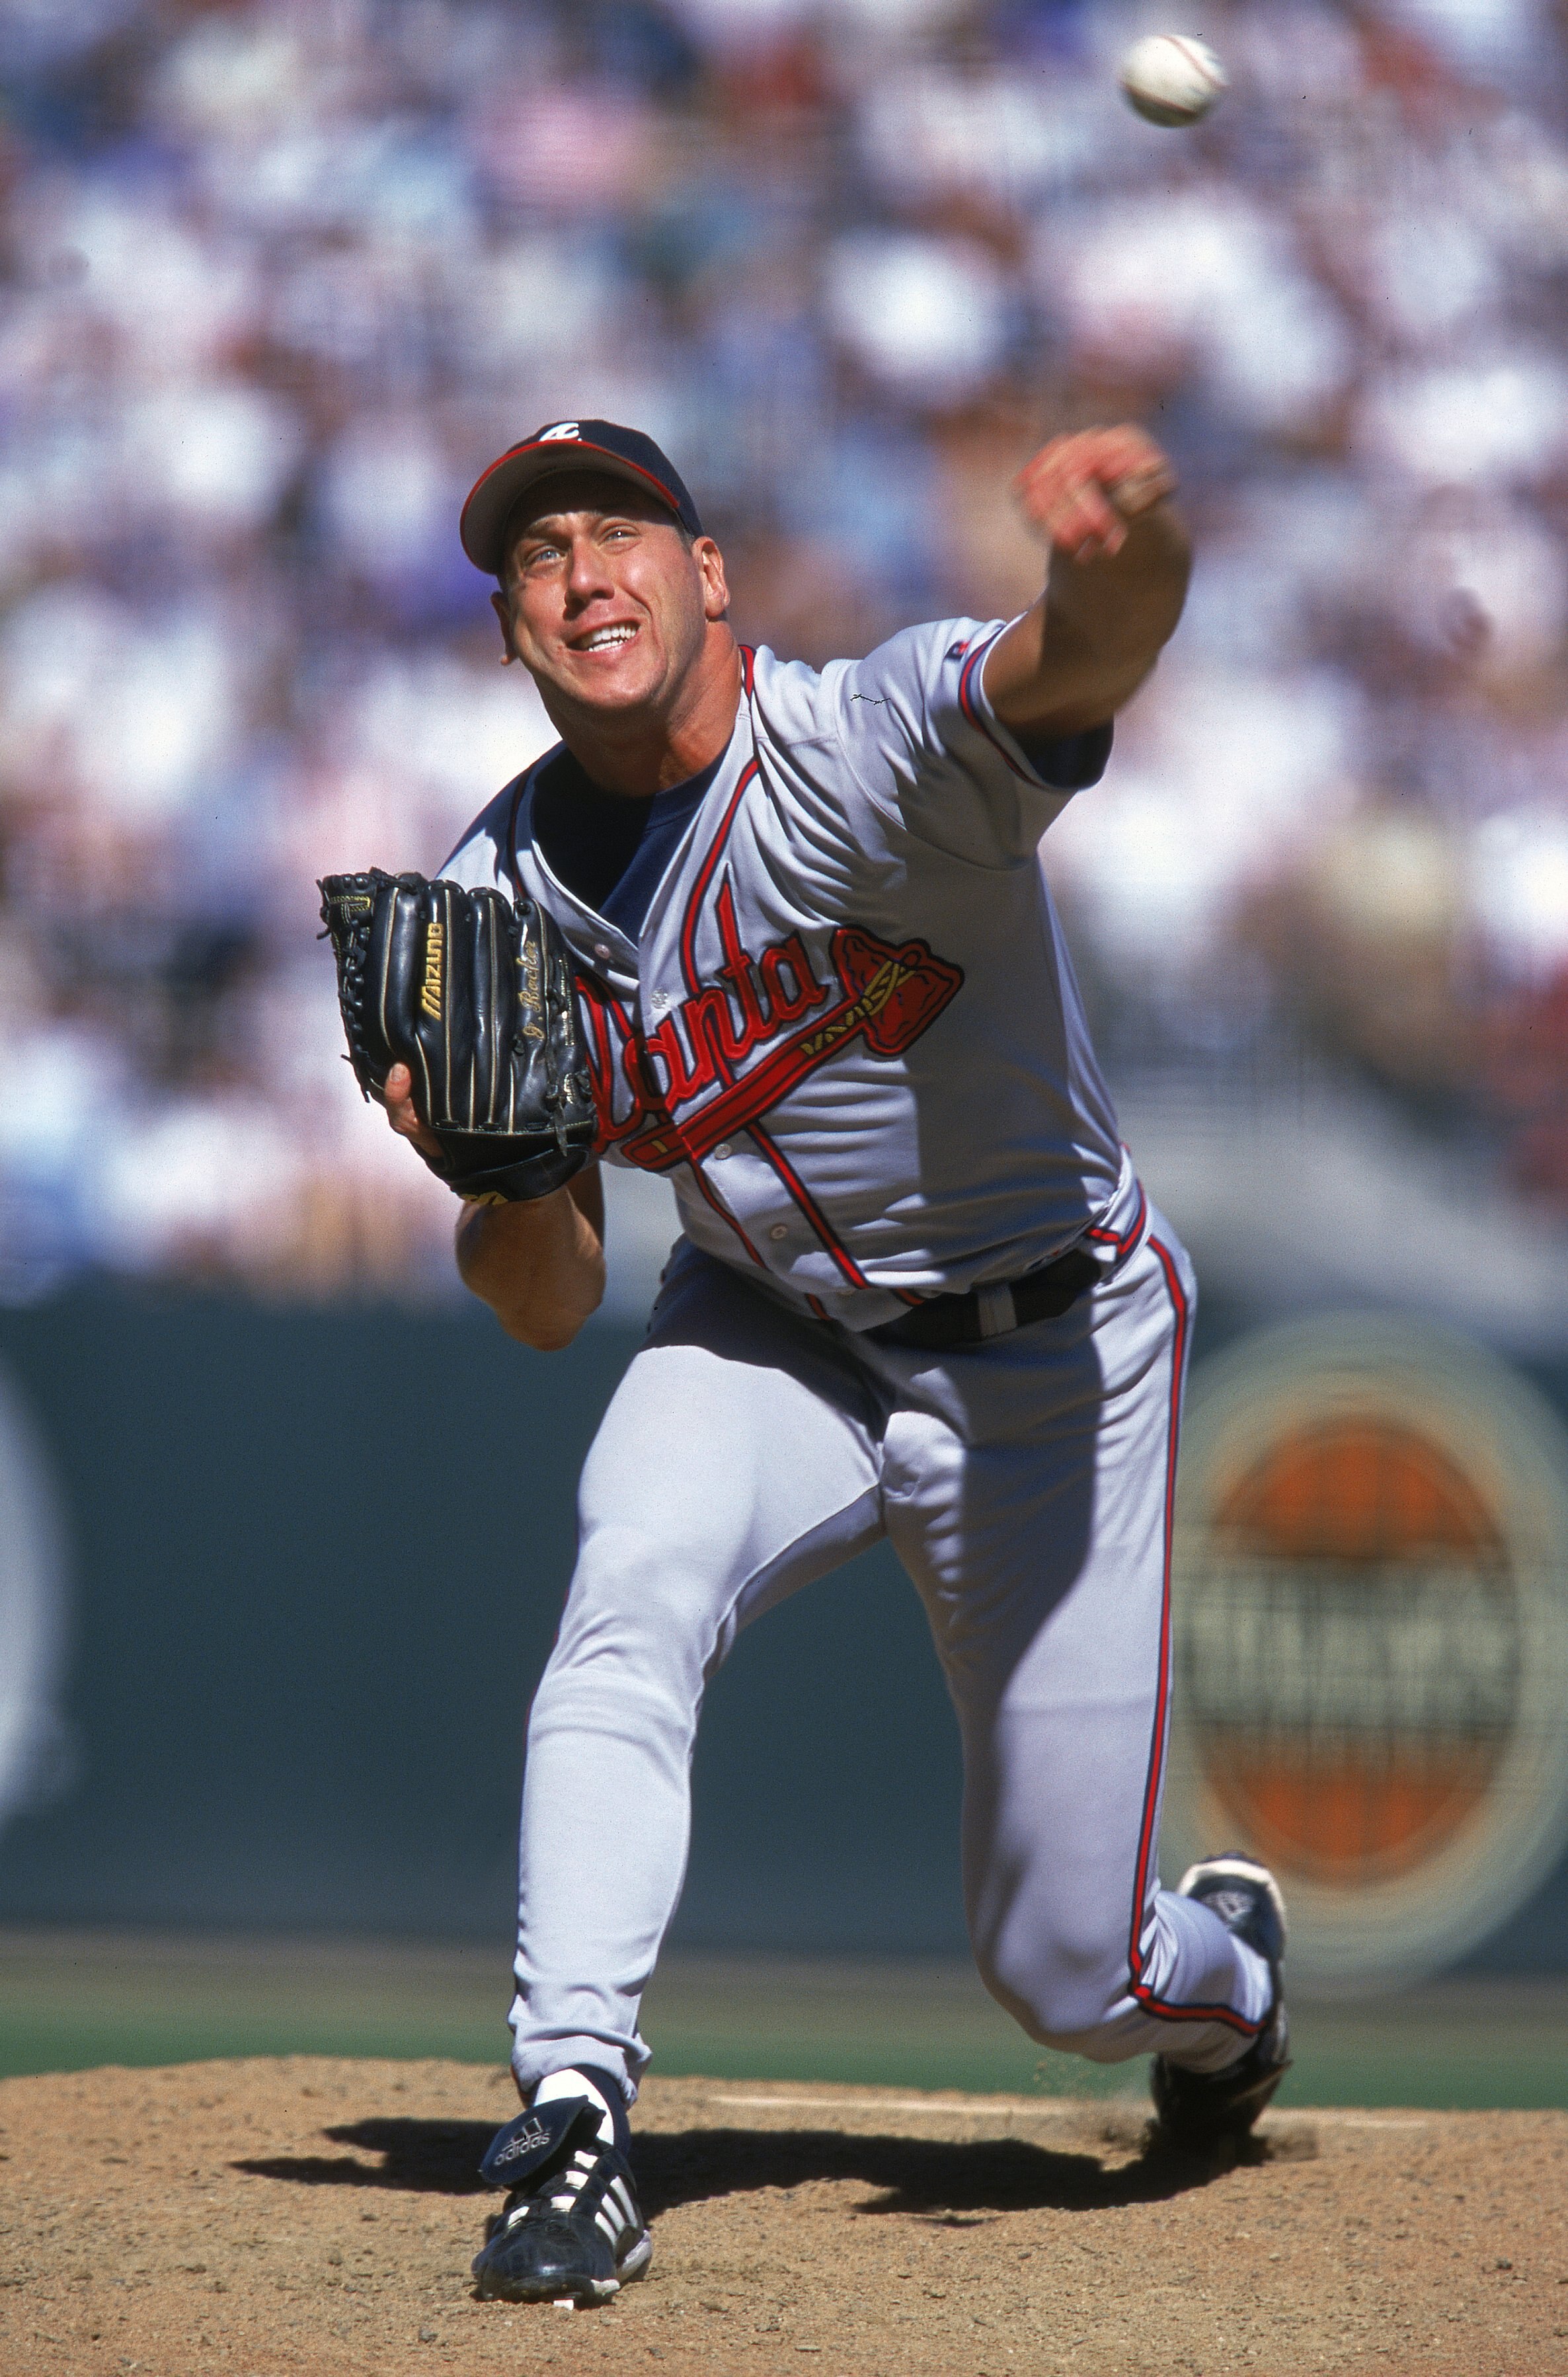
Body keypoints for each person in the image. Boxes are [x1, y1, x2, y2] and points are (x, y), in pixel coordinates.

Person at [381, 417, 1289, 2307]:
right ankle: (570, 2110)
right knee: (629, 1573)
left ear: (709, 575)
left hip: (1049, 1348)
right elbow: (544, 1299)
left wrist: (1122, 552)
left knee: (1066, 1974)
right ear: (512, 635)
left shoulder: (862, 749)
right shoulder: (492, 899)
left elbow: (1083, 656)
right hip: (770, 1326)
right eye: (533, 557)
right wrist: (505, 1171)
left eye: (616, 531)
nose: (576, 572)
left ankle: (1230, 1983)